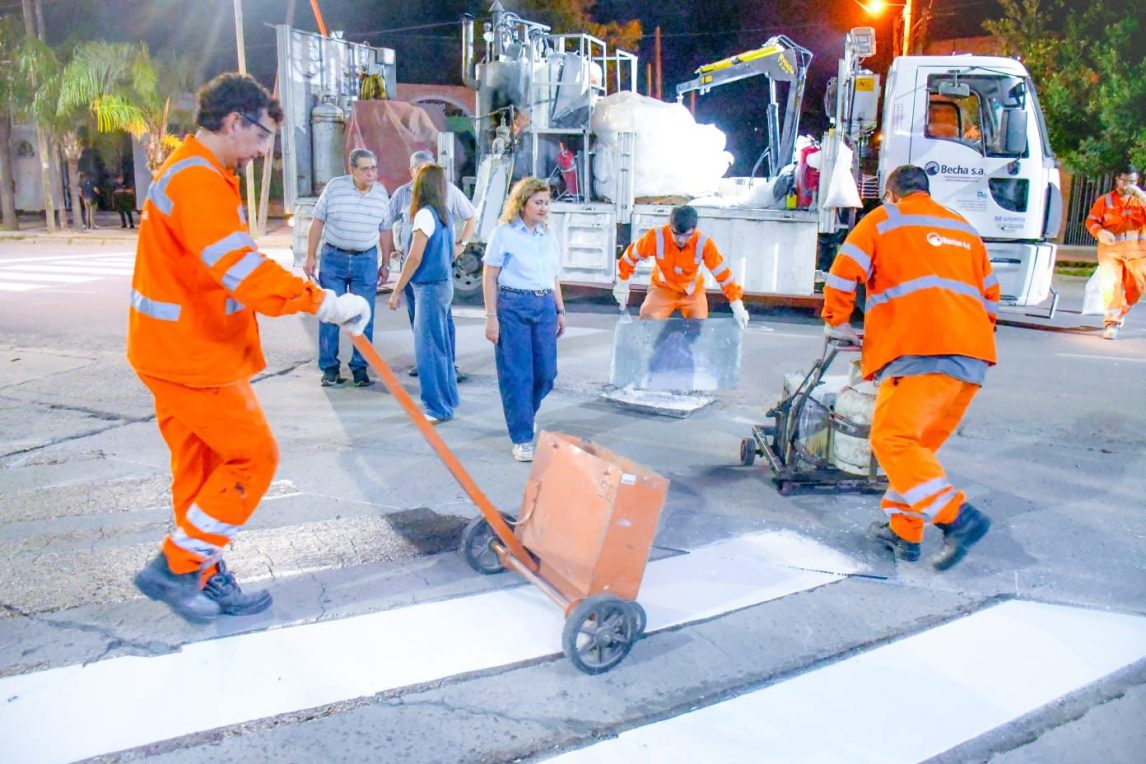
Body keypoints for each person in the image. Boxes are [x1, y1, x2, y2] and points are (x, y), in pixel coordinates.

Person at [128, 73, 371, 623]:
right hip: (193, 357)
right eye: (262, 137)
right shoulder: (198, 181)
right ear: (235, 122)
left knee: (202, 471)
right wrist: (322, 302)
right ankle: (175, 566)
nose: (264, 151)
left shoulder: (196, 171)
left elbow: (223, 265)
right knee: (253, 458)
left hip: (171, 351)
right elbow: (240, 272)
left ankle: (201, 575)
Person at [823, 164, 998, 571]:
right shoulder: (964, 229)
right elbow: (990, 298)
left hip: (919, 349)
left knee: (892, 441)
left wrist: (837, 321)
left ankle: (959, 519)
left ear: (891, 193)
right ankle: (904, 532)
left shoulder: (885, 219)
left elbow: (845, 268)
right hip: (971, 357)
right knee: (916, 451)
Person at [482, 177, 566, 462]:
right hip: (513, 305)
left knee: (546, 374)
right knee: (517, 375)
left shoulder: (548, 234)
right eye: (538, 203)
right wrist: (491, 317)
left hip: (544, 305)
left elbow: (554, 275)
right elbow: (490, 275)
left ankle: (524, 415)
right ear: (523, 203)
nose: (544, 208)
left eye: (546, 203)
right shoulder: (503, 233)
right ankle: (522, 437)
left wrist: (560, 310)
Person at [382, 149, 476, 380]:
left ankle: (445, 365)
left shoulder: (443, 197)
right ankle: (427, 361)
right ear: (411, 172)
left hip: (433, 268)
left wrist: (461, 244)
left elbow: (471, 216)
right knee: (419, 319)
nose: (424, 176)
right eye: (420, 171)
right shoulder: (402, 195)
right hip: (414, 269)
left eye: (428, 171)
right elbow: (385, 224)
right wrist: (387, 257)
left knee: (441, 319)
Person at [304, 148, 390, 387]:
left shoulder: (381, 193)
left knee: (364, 315)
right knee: (330, 313)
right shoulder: (335, 188)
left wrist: (386, 263)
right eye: (365, 169)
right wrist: (310, 255)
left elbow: (385, 229)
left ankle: (360, 368)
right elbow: (318, 221)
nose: (371, 173)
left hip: (366, 260)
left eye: (374, 168)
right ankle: (330, 368)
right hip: (334, 258)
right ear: (351, 170)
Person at [387, 165, 460, 423]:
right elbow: (451, 251)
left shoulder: (423, 216)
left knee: (427, 349)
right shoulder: (445, 215)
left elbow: (415, 257)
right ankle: (449, 398)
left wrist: (396, 290)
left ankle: (437, 407)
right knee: (441, 348)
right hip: (443, 284)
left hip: (427, 288)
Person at [613, 204, 750, 329]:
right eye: (676, 234)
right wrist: (622, 282)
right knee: (648, 323)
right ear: (670, 226)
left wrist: (737, 304)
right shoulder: (656, 237)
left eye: (687, 235)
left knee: (699, 327)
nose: (681, 240)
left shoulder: (704, 244)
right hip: (663, 288)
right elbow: (630, 257)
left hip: (692, 292)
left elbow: (723, 275)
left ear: (694, 230)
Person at [1085, 163, 1146, 340]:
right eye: (1125, 181)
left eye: (1132, 182)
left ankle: (1119, 313)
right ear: (1117, 180)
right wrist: (1100, 232)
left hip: (1138, 252)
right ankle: (1112, 322)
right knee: (1111, 285)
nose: (1128, 185)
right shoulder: (1105, 201)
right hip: (1111, 252)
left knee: (1136, 288)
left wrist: (1142, 197)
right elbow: (1091, 221)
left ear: (1138, 181)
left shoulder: (1140, 200)